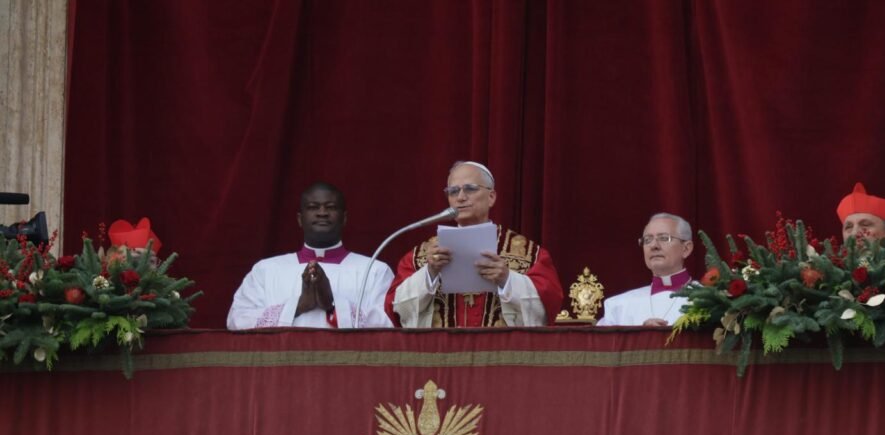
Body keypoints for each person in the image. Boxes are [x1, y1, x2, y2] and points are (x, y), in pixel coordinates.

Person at [386, 161, 563, 327]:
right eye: (453, 191)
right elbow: (395, 310)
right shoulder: (422, 257)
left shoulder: (529, 254)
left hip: (502, 357)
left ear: (491, 197)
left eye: (470, 189)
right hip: (441, 356)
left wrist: (507, 280)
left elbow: (549, 305)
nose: (461, 197)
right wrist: (429, 273)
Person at [227, 181, 393, 329]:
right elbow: (237, 320)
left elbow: (391, 324)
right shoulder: (265, 270)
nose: (322, 213)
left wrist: (333, 304)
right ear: (300, 219)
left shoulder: (375, 271)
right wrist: (298, 306)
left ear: (344, 218)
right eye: (313, 207)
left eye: (331, 207)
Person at [597, 213, 695, 327]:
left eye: (664, 238)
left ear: (686, 248)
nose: (654, 245)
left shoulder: (713, 303)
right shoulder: (618, 306)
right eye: (647, 240)